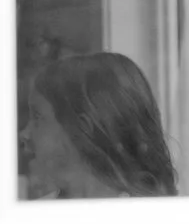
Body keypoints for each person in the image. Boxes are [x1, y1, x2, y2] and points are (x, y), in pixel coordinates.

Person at [25, 52, 178, 198]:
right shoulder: (34, 218)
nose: (24, 134)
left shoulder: (154, 220)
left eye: (38, 118)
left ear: (81, 128)